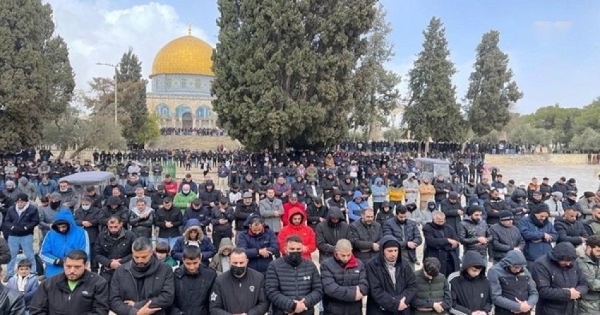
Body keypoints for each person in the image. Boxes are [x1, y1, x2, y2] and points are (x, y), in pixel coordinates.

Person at [30, 250, 109, 315]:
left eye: (77, 267)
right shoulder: (49, 283)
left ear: (86, 265)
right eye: (68, 266)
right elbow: (36, 310)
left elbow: (101, 311)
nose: (72, 271)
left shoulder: (98, 283)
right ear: (64, 264)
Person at [109, 237, 175, 315]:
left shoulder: (165, 269)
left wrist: (137, 305)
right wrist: (135, 313)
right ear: (132, 253)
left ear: (151, 252)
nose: (139, 260)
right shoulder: (120, 271)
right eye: (136, 257)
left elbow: (167, 297)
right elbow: (114, 300)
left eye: (144, 257)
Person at [265, 235, 323, 315]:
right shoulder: (274, 266)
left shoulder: (310, 265)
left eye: (298, 249)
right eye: (292, 249)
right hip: (283, 312)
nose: (295, 251)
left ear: (302, 249)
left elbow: (318, 290)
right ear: (285, 249)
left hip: (306, 311)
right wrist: (292, 306)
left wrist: (304, 304)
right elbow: (271, 291)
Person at [530, 242, 588, 315]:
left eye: (570, 261)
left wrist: (577, 292)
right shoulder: (541, 265)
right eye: (565, 261)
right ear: (557, 257)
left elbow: (584, 283)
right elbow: (542, 290)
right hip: (548, 310)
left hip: (571, 309)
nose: (568, 264)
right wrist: (568, 294)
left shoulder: (574, 263)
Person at [365, 235, 417, 315]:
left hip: (402, 308)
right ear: (382, 251)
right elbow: (376, 290)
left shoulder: (405, 264)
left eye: (396, 250)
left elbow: (412, 285)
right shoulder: (372, 265)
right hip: (379, 310)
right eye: (390, 251)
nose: (393, 254)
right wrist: (394, 304)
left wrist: (401, 301)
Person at [209, 248, 270, 314]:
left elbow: (264, 303)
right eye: (235, 263)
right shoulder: (220, 281)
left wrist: (250, 314)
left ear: (247, 261)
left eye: (241, 263)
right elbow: (214, 307)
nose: (238, 265)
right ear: (229, 262)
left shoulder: (258, 278)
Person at [320, 239, 368, 315]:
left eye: (348, 255)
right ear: (336, 251)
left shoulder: (359, 264)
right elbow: (330, 289)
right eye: (343, 255)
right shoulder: (326, 265)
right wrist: (354, 294)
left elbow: (364, 286)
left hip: (354, 311)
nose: (346, 258)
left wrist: (341, 290)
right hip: (333, 310)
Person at [39, 210, 90, 278]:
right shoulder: (50, 234)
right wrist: (56, 261)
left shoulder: (81, 233)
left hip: (75, 269)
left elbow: (85, 253)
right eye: (59, 227)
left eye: (63, 227)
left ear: (70, 224)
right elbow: (43, 253)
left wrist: (72, 263)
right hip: (54, 270)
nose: (61, 229)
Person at [487, 250, 538, 315]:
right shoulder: (495, 271)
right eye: (516, 267)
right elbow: (496, 297)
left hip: (525, 310)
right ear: (508, 264)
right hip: (505, 311)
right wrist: (518, 307)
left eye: (520, 267)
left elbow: (534, 292)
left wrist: (529, 304)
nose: (518, 270)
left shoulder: (524, 270)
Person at [2, 193, 38, 282]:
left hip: (26, 235)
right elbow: (7, 221)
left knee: (29, 254)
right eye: (18, 202)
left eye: (22, 202)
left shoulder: (32, 209)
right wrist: (12, 227)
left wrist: (26, 227)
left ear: (26, 202)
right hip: (13, 235)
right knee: (11, 255)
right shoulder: (11, 209)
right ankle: (10, 274)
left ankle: (33, 272)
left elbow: (35, 221)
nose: (20, 203)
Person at [171, 246, 217, 315]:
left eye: (195, 263)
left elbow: (214, 301)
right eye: (188, 263)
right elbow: (170, 301)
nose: (192, 267)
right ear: (183, 260)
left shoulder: (210, 275)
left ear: (200, 259)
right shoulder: (175, 275)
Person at [447, 250, 492, 315]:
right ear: (466, 267)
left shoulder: (485, 280)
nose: (477, 273)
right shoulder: (453, 279)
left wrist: (485, 312)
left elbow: (490, 301)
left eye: (479, 270)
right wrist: (469, 313)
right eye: (474, 270)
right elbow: (450, 304)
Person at [94, 215, 136, 283]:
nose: (113, 229)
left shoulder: (130, 236)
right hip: (107, 270)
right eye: (111, 227)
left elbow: (135, 253)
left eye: (115, 227)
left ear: (121, 224)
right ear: (107, 225)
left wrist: (121, 261)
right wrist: (109, 263)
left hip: (126, 269)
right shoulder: (101, 236)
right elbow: (96, 254)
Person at [383, 205, 422, 270]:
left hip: (410, 255)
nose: (403, 219)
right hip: (395, 255)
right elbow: (389, 241)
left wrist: (413, 243)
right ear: (396, 214)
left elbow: (419, 238)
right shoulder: (388, 224)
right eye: (401, 217)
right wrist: (406, 244)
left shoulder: (412, 223)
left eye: (405, 217)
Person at [422, 211, 460, 277]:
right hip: (435, 257)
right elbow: (432, 242)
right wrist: (447, 240)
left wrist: (442, 246)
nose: (441, 223)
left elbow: (456, 242)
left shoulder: (448, 227)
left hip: (450, 259)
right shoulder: (428, 228)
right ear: (434, 219)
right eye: (439, 221)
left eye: (442, 221)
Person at [74, 196, 102, 272]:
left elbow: (99, 220)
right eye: (83, 204)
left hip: (92, 234)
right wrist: (82, 222)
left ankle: (94, 269)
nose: (84, 205)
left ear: (90, 203)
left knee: (93, 253)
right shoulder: (78, 211)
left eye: (86, 204)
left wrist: (90, 223)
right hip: (81, 235)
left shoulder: (96, 211)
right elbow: (75, 221)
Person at [577, 234, 600, 315]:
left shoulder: (597, 259)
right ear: (589, 248)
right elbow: (591, 283)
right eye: (598, 251)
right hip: (587, 304)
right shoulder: (580, 261)